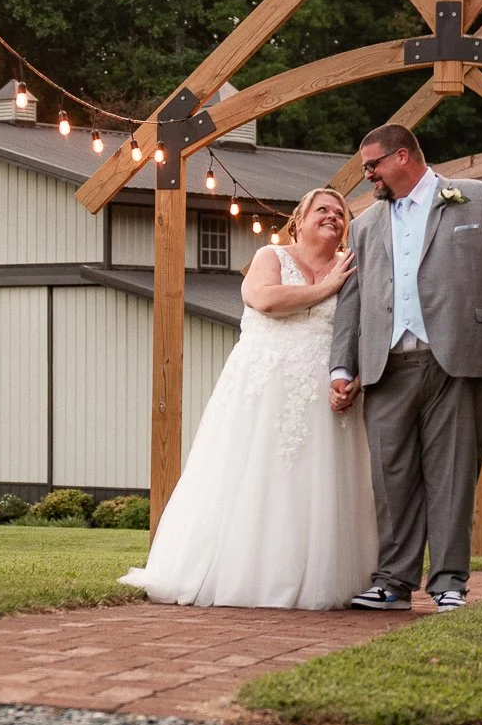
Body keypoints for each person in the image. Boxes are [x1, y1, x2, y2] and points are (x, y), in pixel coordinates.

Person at [121, 188, 378, 609]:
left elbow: (360, 329)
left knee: (318, 482)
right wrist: (327, 286)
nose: (333, 216)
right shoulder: (271, 257)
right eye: (323, 209)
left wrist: (354, 378)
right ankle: (243, 573)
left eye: (340, 212)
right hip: (264, 386)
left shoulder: (351, 267)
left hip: (323, 393)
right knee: (254, 474)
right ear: (299, 218)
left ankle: (318, 576)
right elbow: (264, 299)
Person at [329, 124, 482, 612]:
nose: (367, 176)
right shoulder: (363, 225)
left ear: (403, 156)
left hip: (460, 358)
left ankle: (448, 583)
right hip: (386, 364)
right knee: (390, 476)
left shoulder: (478, 200)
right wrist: (342, 366)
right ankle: (393, 583)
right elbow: (351, 302)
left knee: (452, 475)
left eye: (372, 165)